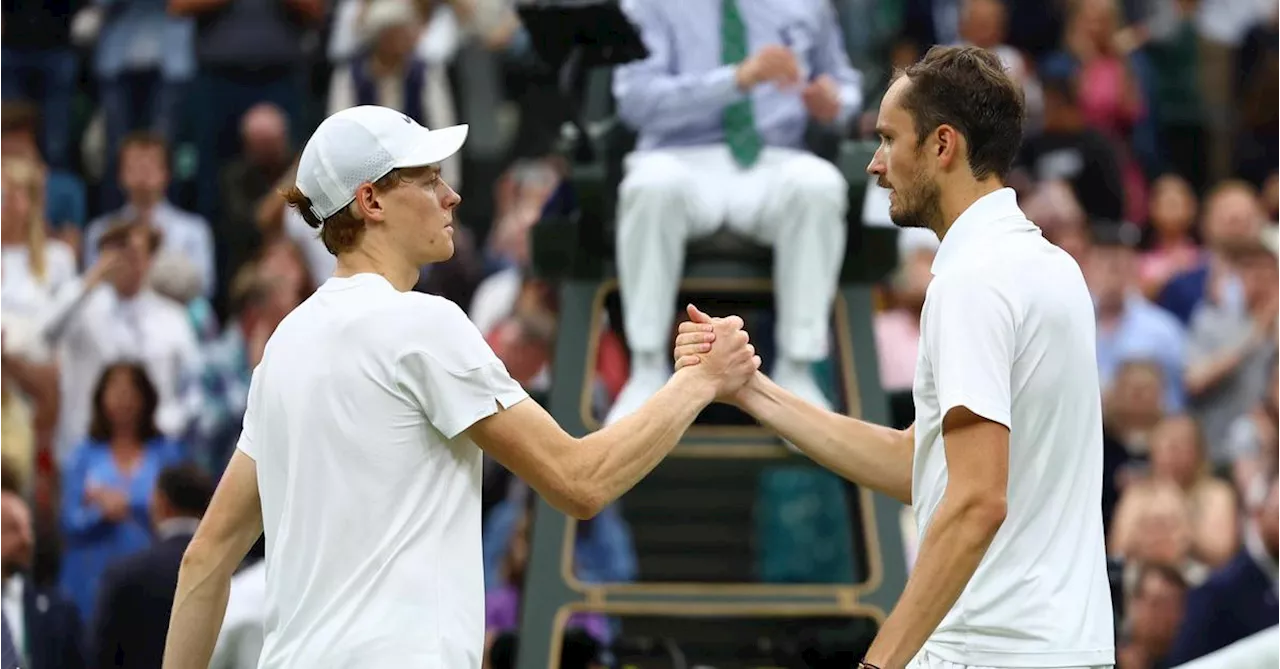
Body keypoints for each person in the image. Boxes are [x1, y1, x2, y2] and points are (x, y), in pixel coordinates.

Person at [161, 105, 760, 669]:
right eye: (427, 180)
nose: (452, 195)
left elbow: (204, 559)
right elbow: (581, 481)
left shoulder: (285, 346)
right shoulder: (425, 323)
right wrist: (701, 381)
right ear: (370, 200)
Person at [675, 46, 1114, 669]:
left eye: (888, 139)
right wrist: (749, 387)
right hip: (1062, 646)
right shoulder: (1049, 267)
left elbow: (976, 501)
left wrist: (879, 663)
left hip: (989, 652)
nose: (876, 164)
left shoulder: (971, 282)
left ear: (942, 145)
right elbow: (922, 465)